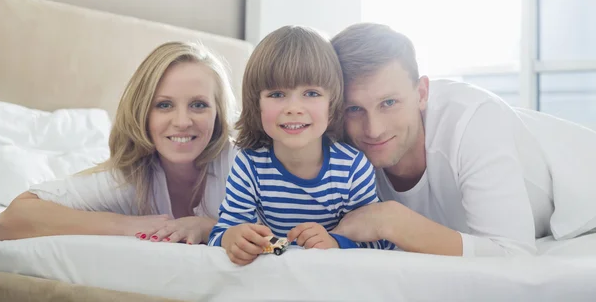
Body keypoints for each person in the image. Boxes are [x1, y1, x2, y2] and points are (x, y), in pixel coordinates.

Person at [329, 22, 562, 257]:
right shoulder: (336, 148)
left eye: (389, 103)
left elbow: (514, 255)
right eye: (354, 109)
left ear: (421, 94)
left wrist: (391, 221)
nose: (374, 130)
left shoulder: (473, 120)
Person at [0, 41, 237, 245]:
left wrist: (210, 228)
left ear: (218, 113)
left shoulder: (246, 165)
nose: (183, 122)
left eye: (198, 105)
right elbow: (8, 220)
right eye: (164, 105)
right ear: (142, 112)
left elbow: (275, 238)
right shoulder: (129, 178)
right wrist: (125, 225)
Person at [208, 26, 395, 266]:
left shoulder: (352, 168)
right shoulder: (249, 164)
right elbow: (219, 234)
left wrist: (336, 243)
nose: (294, 108)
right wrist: (231, 238)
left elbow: (379, 243)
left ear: (332, 103)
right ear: (257, 105)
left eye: (311, 93)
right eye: (277, 94)